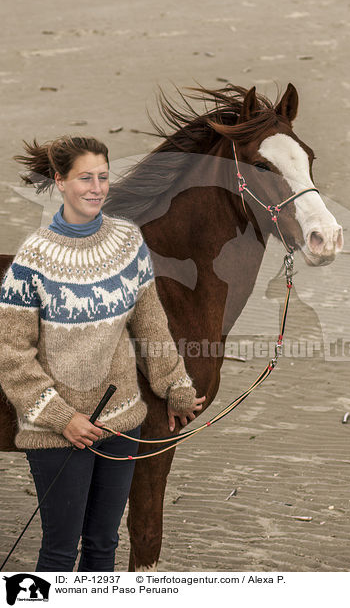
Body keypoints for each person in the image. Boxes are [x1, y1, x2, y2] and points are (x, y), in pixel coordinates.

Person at [0, 136, 205, 572]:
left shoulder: (129, 242)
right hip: (58, 433)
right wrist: (62, 418)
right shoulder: (32, 260)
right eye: (84, 178)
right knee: (59, 551)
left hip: (121, 423)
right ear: (60, 182)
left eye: (103, 177)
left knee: (102, 546)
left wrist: (176, 385)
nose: (95, 188)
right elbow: (12, 357)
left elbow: (150, 324)